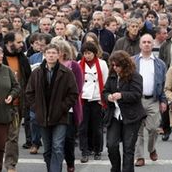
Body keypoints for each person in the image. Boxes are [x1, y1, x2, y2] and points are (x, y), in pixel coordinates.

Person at [26, 43, 79, 172]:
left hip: (60, 115)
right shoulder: (37, 72)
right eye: (48, 53)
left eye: (54, 53)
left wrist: (63, 107)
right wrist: (36, 107)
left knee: (57, 146)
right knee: (48, 148)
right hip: (43, 115)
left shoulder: (66, 73)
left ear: (58, 55)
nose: (51, 55)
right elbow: (29, 92)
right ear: (44, 54)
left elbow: (73, 93)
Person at [103, 50, 146, 172]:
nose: (115, 68)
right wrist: (108, 97)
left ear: (125, 64)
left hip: (132, 116)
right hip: (114, 116)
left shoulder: (135, 76)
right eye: (113, 65)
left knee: (128, 148)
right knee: (111, 145)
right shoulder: (112, 75)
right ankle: (115, 169)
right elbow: (105, 91)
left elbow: (137, 94)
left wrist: (122, 95)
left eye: (118, 65)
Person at [133, 34, 167, 167]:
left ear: (153, 45)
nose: (146, 44)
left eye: (149, 42)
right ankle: (139, 157)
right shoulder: (133, 61)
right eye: (144, 42)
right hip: (137, 100)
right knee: (138, 130)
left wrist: (163, 101)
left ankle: (151, 148)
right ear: (140, 45)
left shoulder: (160, 64)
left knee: (153, 128)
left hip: (153, 100)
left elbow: (163, 83)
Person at [2, 32, 32, 172]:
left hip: (16, 105)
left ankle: (10, 164)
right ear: (9, 43)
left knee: (13, 136)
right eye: (19, 42)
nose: (22, 45)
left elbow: (28, 81)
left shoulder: (23, 59)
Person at [54, 40, 84, 172]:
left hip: (69, 109)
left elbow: (78, 87)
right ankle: (56, 166)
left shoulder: (74, 66)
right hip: (52, 109)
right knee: (56, 142)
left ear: (63, 52)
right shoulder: (50, 65)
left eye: (57, 51)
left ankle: (70, 163)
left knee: (68, 139)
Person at [78, 41, 109, 163]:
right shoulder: (79, 64)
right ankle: (84, 151)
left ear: (95, 53)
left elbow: (105, 81)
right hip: (83, 98)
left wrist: (104, 98)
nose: (87, 56)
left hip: (97, 98)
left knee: (97, 127)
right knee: (83, 127)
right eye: (85, 53)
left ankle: (97, 150)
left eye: (89, 53)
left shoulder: (102, 64)